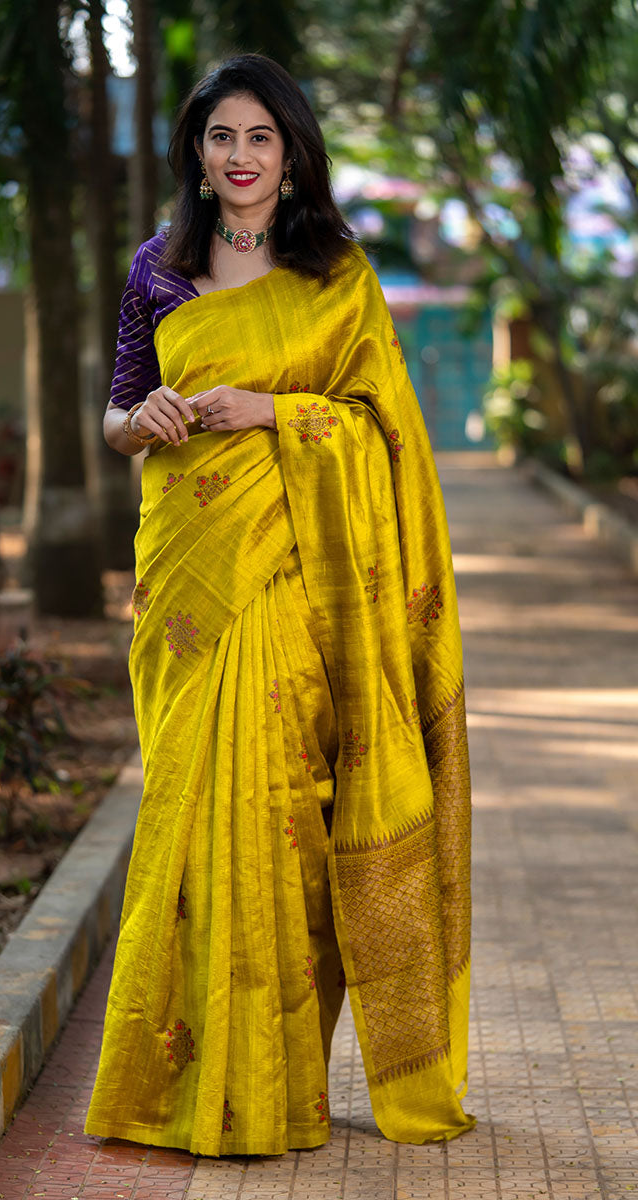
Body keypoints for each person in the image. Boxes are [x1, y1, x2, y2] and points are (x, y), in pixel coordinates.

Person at [84, 52, 475, 1157]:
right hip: (186, 583)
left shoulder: (336, 274)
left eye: (261, 137)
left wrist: (273, 410)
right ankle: (172, 1083)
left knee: (282, 824)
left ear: (292, 153)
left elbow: (383, 429)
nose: (241, 156)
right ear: (197, 158)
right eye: (222, 138)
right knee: (183, 819)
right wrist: (144, 419)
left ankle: (275, 1081)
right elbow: (113, 414)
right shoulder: (156, 272)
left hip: (298, 583)